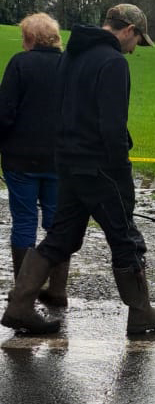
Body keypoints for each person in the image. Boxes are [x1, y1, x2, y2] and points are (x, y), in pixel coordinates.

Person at [1, 4, 155, 335]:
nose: (135, 48)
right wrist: (121, 172)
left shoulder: (72, 55)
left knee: (61, 237)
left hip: (66, 161)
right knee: (125, 236)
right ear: (128, 30)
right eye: (138, 40)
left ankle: (20, 305)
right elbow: (111, 126)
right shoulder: (112, 62)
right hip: (100, 166)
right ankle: (141, 313)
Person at [0, 13, 69, 307]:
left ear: (29, 39)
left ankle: (23, 294)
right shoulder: (70, 66)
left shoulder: (19, 63)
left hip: (20, 159)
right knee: (58, 224)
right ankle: (57, 290)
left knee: (24, 222)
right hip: (60, 159)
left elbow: (4, 113)